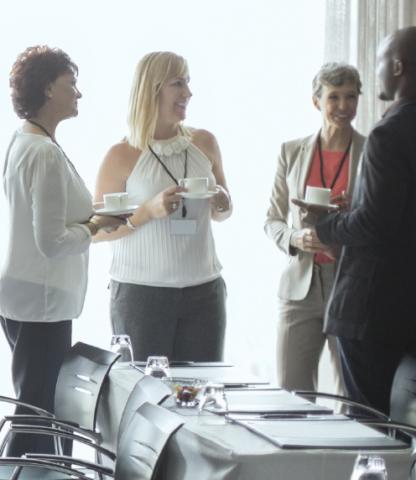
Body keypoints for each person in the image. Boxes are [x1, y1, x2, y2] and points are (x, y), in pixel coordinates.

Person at [0, 45, 124, 455]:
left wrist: (91, 221)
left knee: (33, 408)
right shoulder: (42, 153)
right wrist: (96, 225)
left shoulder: (23, 142)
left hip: (24, 293)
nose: (78, 93)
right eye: (71, 84)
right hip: (42, 298)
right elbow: (51, 242)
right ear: (48, 89)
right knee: (36, 416)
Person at [94, 51, 232, 362]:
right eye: (178, 83)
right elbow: (94, 231)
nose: (188, 93)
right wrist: (146, 213)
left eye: (188, 82)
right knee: (146, 398)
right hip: (141, 296)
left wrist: (223, 203)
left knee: (199, 398)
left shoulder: (205, 142)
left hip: (205, 293)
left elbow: (222, 212)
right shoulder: (121, 155)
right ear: (153, 89)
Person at [312, 26, 416, 415]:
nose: (377, 72)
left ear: (399, 66)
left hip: (373, 313)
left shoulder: (388, 134)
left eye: (380, 62)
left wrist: (325, 225)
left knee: (368, 429)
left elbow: (374, 223)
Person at [265, 63, 365, 392]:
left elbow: (384, 220)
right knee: (292, 395)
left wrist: (356, 212)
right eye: (333, 97)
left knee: (351, 396)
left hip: (351, 284)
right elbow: (272, 219)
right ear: (316, 102)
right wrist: (296, 237)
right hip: (299, 289)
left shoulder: (372, 151)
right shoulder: (290, 151)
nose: (342, 107)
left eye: (350, 97)